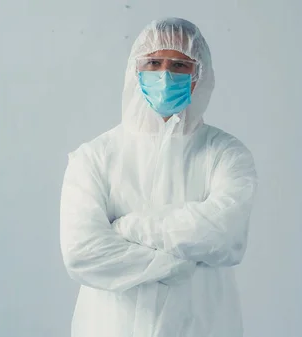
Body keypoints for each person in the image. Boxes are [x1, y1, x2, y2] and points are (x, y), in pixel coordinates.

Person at [59, 17, 258, 337]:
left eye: (180, 65)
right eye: (153, 62)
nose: (165, 75)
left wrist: (127, 228)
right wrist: (176, 265)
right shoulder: (94, 157)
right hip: (111, 328)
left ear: (199, 75)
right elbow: (83, 253)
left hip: (202, 326)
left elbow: (225, 234)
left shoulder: (226, 154)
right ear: (135, 70)